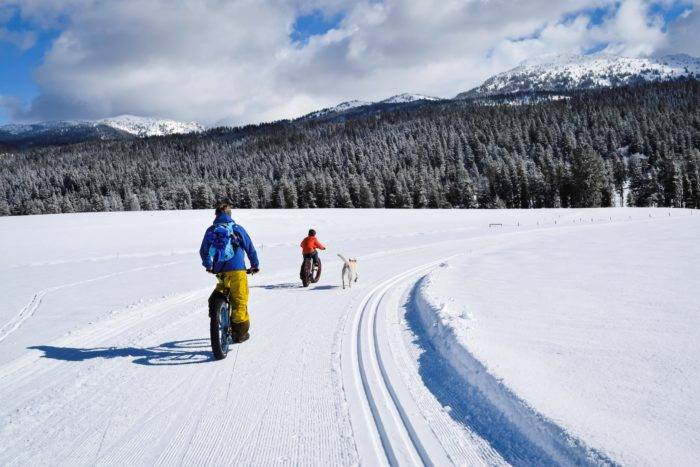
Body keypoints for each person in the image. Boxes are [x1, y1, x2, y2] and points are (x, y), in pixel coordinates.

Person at [200, 203, 259, 343]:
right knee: (239, 301)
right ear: (230, 214)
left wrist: (209, 265)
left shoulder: (211, 230)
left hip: (220, 270)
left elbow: (204, 250)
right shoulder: (237, 228)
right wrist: (255, 265)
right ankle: (239, 335)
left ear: (216, 215)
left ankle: (216, 315)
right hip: (237, 270)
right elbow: (250, 248)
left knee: (218, 293)